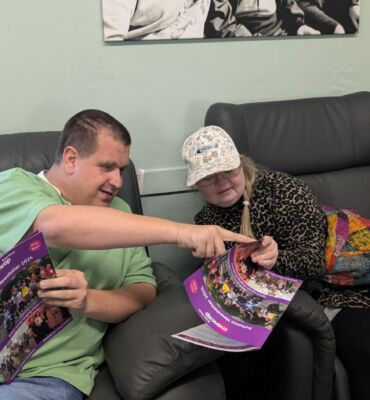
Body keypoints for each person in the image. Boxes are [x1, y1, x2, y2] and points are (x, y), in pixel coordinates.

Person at [0, 111, 248, 400]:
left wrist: (87, 300)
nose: (117, 181)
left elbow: (142, 290)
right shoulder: (14, 185)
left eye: (121, 170)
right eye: (107, 167)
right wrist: (181, 232)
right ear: (70, 159)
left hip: (48, 376)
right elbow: (52, 226)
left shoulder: (122, 213)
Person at [182, 125, 327, 399]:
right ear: (196, 184)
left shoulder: (283, 190)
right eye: (209, 178)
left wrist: (277, 259)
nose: (222, 183)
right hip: (248, 312)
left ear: (242, 164)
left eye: (228, 171)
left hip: (306, 297)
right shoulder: (205, 222)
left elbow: (315, 263)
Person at [205, 0, 321, 38]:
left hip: (277, 34)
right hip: (236, 39)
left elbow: (287, 5)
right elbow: (218, 17)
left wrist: (299, 25)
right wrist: (243, 38)